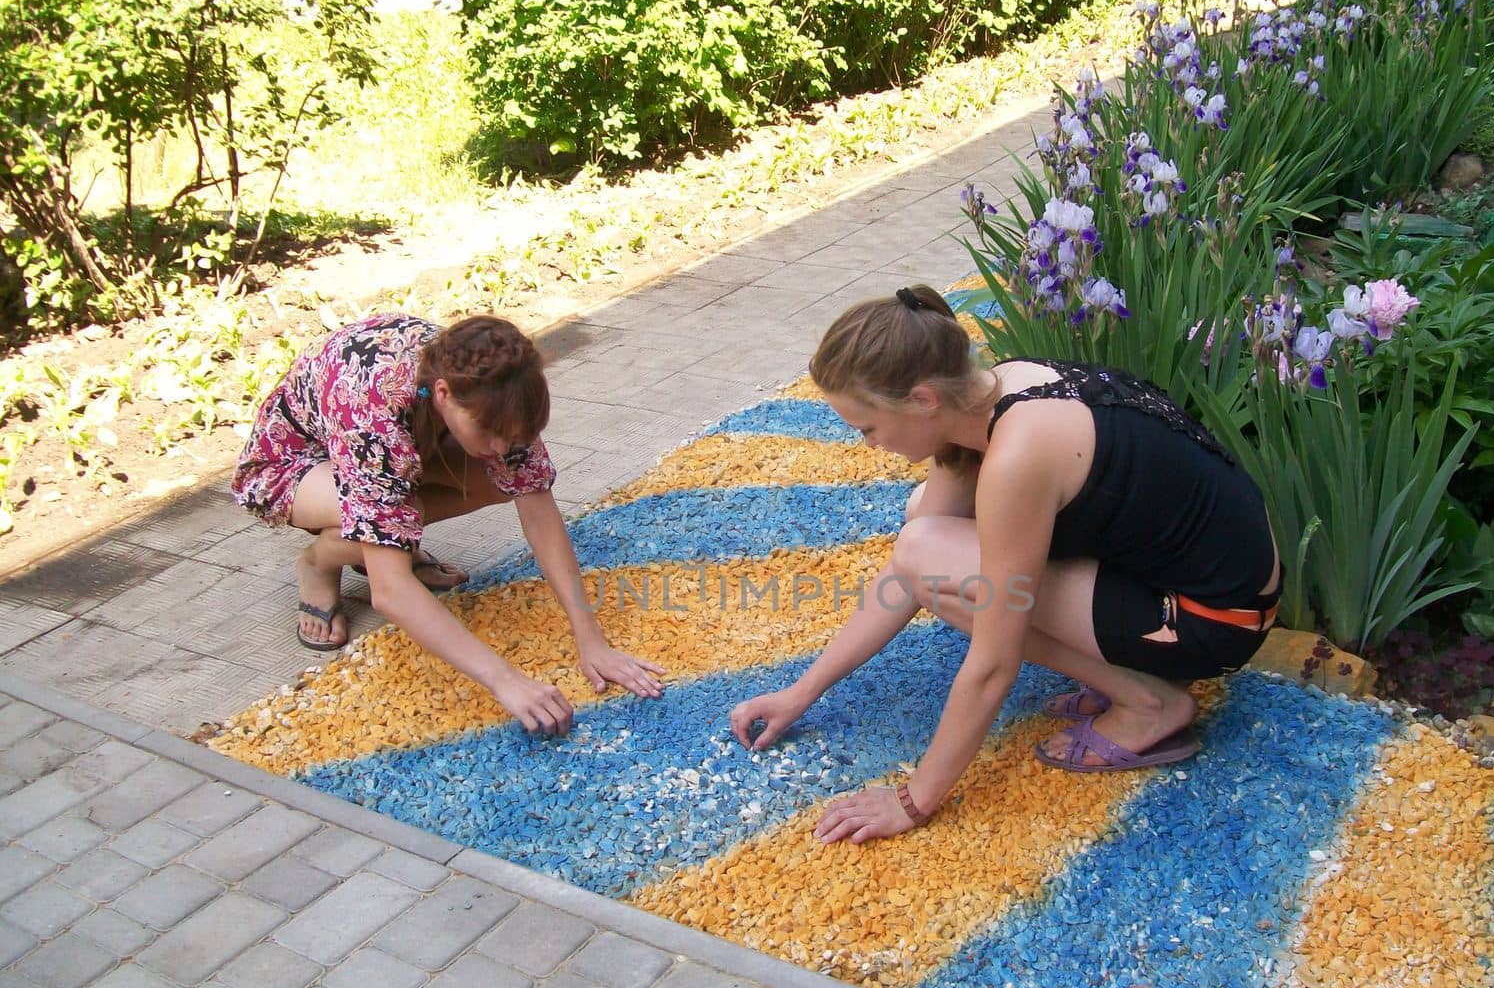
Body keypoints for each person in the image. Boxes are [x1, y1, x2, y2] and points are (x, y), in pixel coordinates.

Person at [729, 285, 1279, 844]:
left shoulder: (1016, 457)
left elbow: (994, 661)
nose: (869, 445)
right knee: (925, 525)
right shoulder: (991, 391)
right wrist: (801, 692)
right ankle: (1132, 672)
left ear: (922, 400)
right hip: (1186, 580)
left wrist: (914, 800)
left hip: (1214, 621)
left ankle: (1150, 703)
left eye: (867, 428)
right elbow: (905, 575)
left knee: (937, 558)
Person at [233, 313, 664, 734]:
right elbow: (391, 593)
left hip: (387, 449)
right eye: (490, 432)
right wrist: (506, 680)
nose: (500, 445)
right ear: (442, 393)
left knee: (500, 480)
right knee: (391, 531)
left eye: (511, 435)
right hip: (293, 464)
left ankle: (387, 543)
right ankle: (319, 563)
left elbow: (540, 514)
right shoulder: (374, 414)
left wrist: (591, 638)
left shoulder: (496, 387)